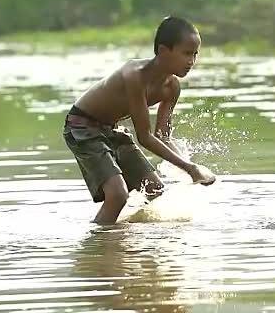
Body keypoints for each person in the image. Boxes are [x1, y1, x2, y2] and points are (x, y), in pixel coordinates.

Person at [63, 15, 217, 224]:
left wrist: (189, 165)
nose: (191, 61)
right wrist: (190, 169)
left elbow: (162, 136)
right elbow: (144, 137)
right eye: (186, 54)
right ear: (163, 51)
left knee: (154, 189)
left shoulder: (171, 87)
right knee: (117, 195)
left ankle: (128, 230)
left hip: (110, 129)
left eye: (195, 54)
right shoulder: (134, 76)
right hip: (82, 126)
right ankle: (96, 245)